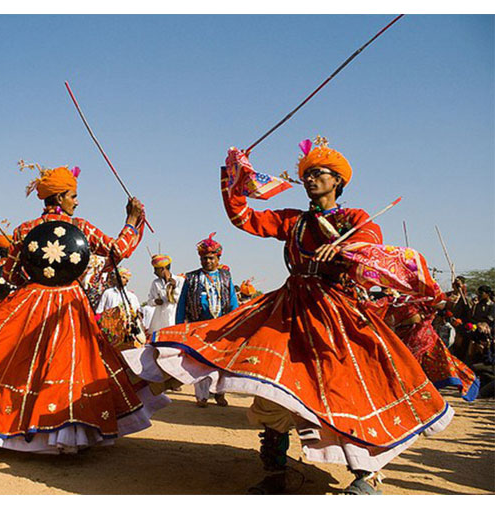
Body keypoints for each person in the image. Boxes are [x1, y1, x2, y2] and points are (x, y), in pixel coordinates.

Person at [125, 140, 452, 494]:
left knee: (344, 390)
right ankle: (275, 472)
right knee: (273, 385)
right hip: (289, 309)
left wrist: (344, 246)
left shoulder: (354, 219)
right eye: (307, 174)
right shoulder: (294, 220)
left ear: (337, 182)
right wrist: (234, 179)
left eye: (318, 174)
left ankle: (365, 475)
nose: (310, 179)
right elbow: (244, 218)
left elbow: (371, 243)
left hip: (335, 314)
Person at [0, 164, 168, 453]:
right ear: (59, 198)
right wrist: (131, 219)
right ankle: (67, 438)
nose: (76, 201)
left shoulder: (23, 229)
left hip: (29, 303)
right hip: (69, 304)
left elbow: (11, 274)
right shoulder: (80, 227)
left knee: (23, 368)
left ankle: (27, 430)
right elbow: (119, 251)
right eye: (73, 196)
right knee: (69, 366)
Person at [175, 233, 239, 408]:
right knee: (199, 361)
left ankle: (219, 393)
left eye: (211, 258)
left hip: (221, 326)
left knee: (221, 361)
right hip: (198, 326)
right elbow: (181, 304)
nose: (207, 262)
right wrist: (180, 327)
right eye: (204, 259)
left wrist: (235, 324)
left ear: (218, 258)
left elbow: (233, 301)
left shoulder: (226, 277)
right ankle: (201, 396)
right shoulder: (192, 278)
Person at [146, 254, 185, 334]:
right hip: (159, 321)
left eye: (156, 269)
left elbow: (181, 300)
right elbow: (149, 301)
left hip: (174, 318)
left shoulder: (179, 281)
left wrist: (174, 288)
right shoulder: (155, 283)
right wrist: (155, 301)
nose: (154, 272)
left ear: (163, 269)